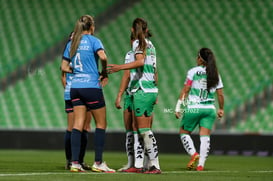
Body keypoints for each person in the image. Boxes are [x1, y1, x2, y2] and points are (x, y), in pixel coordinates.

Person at [61, 15, 115, 173]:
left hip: (75, 87)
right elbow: (103, 57)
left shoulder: (72, 43)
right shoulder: (94, 41)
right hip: (91, 86)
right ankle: (98, 162)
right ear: (91, 27)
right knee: (101, 124)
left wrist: (77, 71)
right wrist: (104, 72)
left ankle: (75, 163)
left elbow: (63, 66)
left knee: (77, 124)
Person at [108, 18, 161, 174]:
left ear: (132, 30)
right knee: (138, 128)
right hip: (144, 90)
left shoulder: (139, 44)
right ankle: (138, 165)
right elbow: (154, 70)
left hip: (143, 90)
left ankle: (154, 165)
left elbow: (140, 62)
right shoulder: (151, 45)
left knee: (143, 129)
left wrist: (119, 67)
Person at [174, 48, 224, 171]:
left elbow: (186, 90)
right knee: (205, 136)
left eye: (197, 56)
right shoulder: (215, 73)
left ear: (201, 59)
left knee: (184, 133)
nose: (196, 59)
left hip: (194, 108)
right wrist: (221, 108)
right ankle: (201, 165)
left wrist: (178, 107)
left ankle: (193, 154)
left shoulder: (193, 72)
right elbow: (220, 94)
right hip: (209, 109)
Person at [61, 32, 92, 171]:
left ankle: (79, 160)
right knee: (73, 127)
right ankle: (71, 160)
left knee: (85, 127)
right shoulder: (70, 55)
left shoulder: (79, 54)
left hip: (82, 90)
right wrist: (68, 88)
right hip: (76, 92)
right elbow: (63, 76)